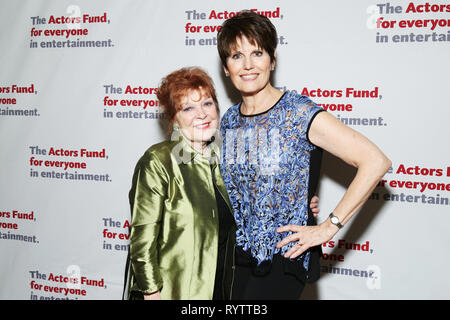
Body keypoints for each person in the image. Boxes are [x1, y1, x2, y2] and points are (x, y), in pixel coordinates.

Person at [217, 11, 391, 299]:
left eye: (257, 53)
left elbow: (375, 161)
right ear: (225, 67)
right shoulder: (229, 120)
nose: (248, 65)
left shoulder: (298, 113)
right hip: (237, 260)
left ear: (272, 59)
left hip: (284, 261)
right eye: (236, 56)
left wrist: (327, 227)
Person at [123, 66, 324, 300]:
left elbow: (258, 194)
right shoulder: (159, 162)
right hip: (173, 292)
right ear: (173, 118)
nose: (202, 114)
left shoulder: (225, 156)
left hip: (221, 291)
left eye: (207, 103)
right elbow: (141, 239)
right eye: (188, 108)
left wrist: (298, 203)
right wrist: (151, 293)